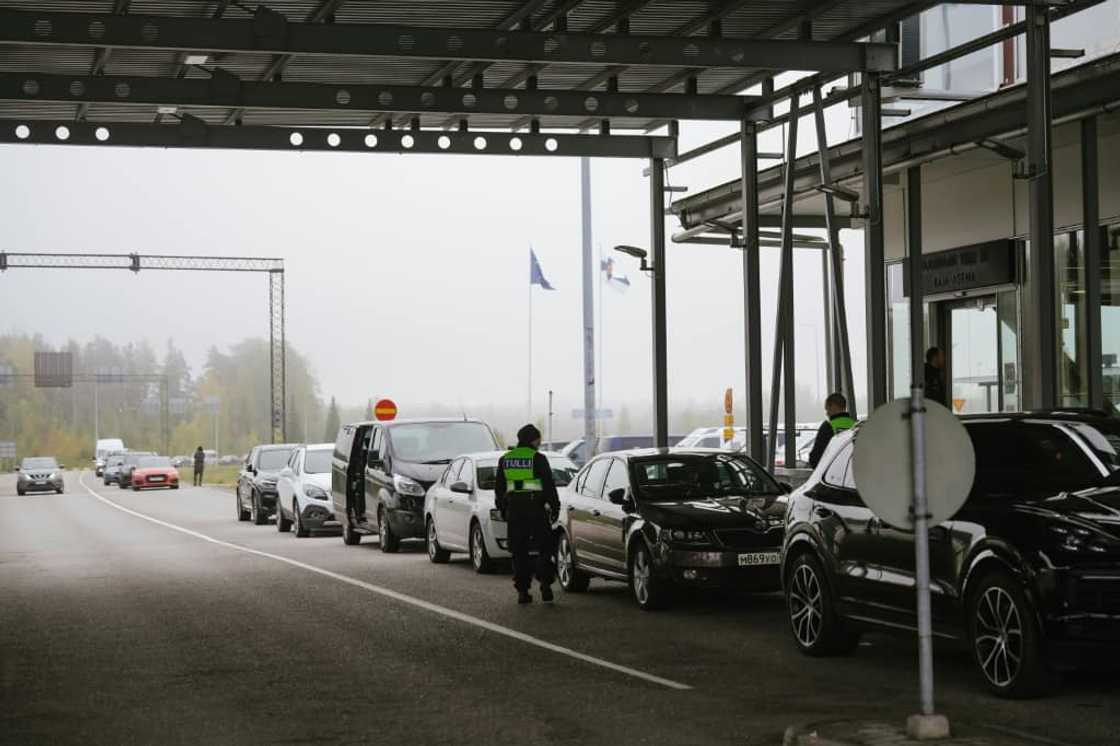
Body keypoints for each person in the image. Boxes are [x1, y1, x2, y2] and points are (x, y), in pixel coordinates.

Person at [494, 424, 560, 605]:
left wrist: (502, 507)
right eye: (539, 439)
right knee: (545, 548)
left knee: (519, 551)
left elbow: (499, 488)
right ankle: (545, 583)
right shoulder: (538, 458)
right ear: (533, 440)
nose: (540, 442)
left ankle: (523, 591)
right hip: (536, 509)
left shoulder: (506, 459)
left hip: (515, 511)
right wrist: (555, 507)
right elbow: (548, 485)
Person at [807, 393, 856, 468]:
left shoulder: (827, 426)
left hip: (832, 476)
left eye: (827, 409)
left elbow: (815, 458)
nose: (827, 413)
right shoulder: (856, 425)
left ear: (833, 406)